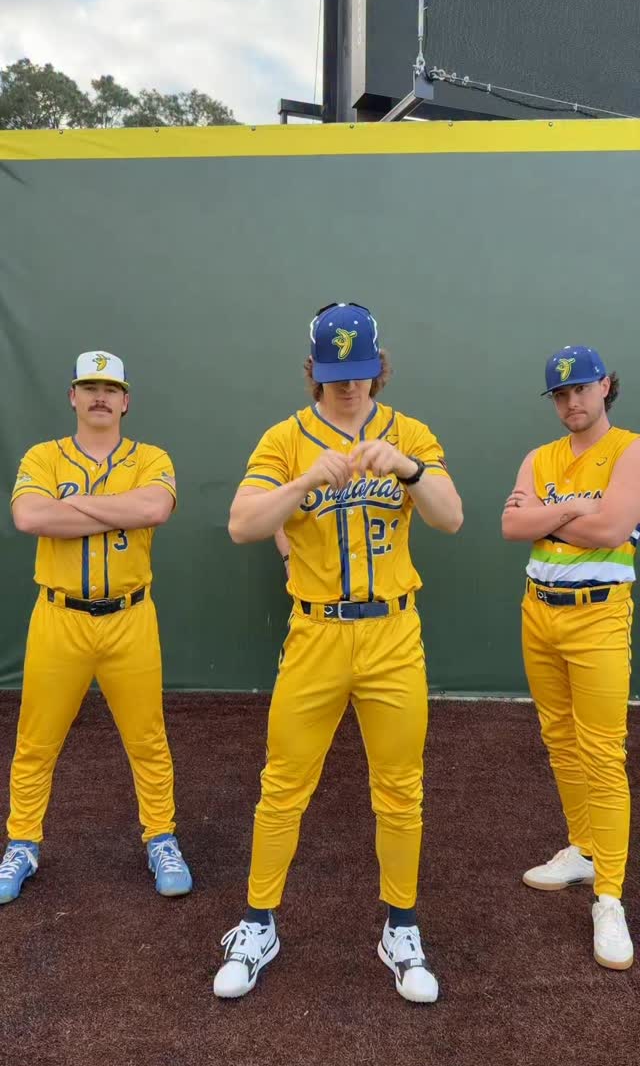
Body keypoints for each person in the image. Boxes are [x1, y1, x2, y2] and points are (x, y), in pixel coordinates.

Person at [214, 301, 463, 1003]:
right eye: (333, 372)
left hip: (393, 633)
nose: (348, 384)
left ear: (379, 368)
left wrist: (409, 469)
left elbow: (451, 517)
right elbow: (241, 525)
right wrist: (301, 484)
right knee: (283, 783)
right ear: (312, 371)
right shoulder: (285, 438)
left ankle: (401, 926)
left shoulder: (410, 432)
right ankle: (258, 922)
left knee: (401, 787)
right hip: (317, 632)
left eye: (359, 370)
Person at [0, 351, 192, 903]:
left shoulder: (151, 457)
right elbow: (29, 516)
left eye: (110, 388)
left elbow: (155, 509)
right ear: (73, 396)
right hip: (58, 617)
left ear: (126, 401)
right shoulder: (43, 456)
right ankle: (22, 842)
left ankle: (160, 837)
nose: (100, 396)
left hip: (130, 617)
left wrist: (74, 506)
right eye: (89, 387)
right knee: (35, 741)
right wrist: (115, 506)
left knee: (147, 739)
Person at [502, 345, 640, 970]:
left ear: (605, 386)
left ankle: (609, 896)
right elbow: (511, 527)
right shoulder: (539, 457)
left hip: (599, 614)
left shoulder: (630, 450)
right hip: (539, 610)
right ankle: (583, 849)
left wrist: (544, 517)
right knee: (558, 737)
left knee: (602, 752)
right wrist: (573, 510)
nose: (571, 402)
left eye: (581, 389)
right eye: (560, 394)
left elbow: (610, 531)